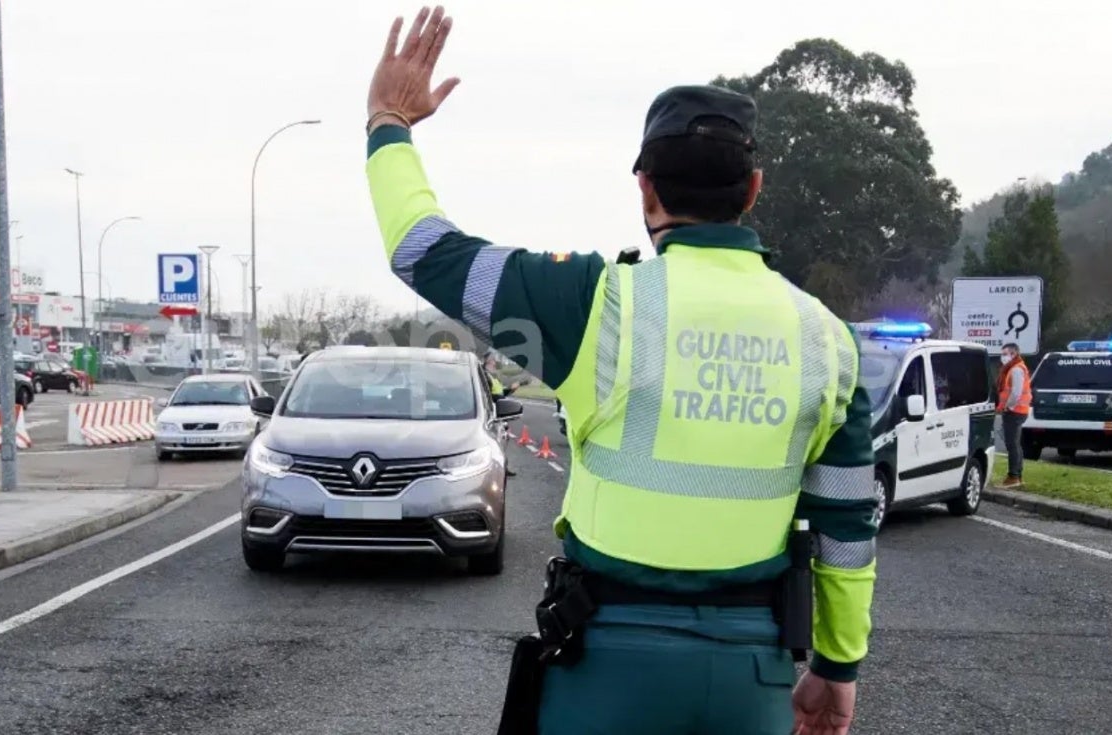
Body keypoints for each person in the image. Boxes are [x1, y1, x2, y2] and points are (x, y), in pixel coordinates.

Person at [362, 8, 877, 734]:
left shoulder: (596, 305)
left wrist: (389, 123)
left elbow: (423, 250)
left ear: (645, 188)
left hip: (605, 669)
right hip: (751, 675)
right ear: (753, 189)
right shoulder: (829, 341)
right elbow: (848, 531)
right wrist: (836, 667)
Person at [995, 342, 1032, 488]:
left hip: (1014, 411)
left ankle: (1013, 477)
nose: (1002, 357)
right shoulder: (1015, 368)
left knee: (1012, 445)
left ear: (1014, 353)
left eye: (1005, 354)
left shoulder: (1016, 369)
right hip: (1017, 410)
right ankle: (1017, 475)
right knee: (1015, 444)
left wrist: (1007, 407)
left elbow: (1016, 393)